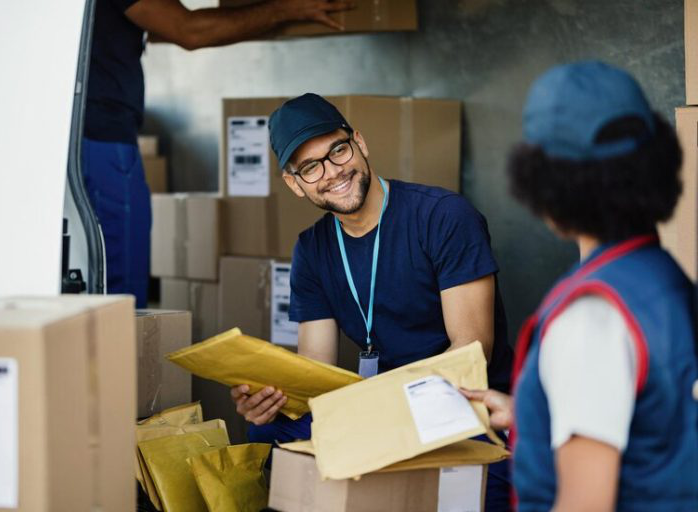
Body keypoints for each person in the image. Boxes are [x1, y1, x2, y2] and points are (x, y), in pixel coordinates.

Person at [229, 93, 515, 510]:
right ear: (295, 184)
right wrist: (273, 403)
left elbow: (471, 353)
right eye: (311, 167)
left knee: (474, 488)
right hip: (375, 405)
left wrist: (378, 411)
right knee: (266, 434)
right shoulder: (312, 249)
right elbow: (317, 371)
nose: (332, 172)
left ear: (359, 143)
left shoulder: (444, 216)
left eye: (338, 150)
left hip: (459, 402)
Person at [463, 61, 698, 511]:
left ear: (545, 185)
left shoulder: (589, 318)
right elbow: (656, 420)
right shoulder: (663, 276)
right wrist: (533, 412)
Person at [82, 0, 353, 307]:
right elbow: (187, 29)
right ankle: (116, 352)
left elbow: (157, 28)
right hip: (101, 139)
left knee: (108, 276)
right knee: (119, 287)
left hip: (95, 136)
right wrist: (288, 8)